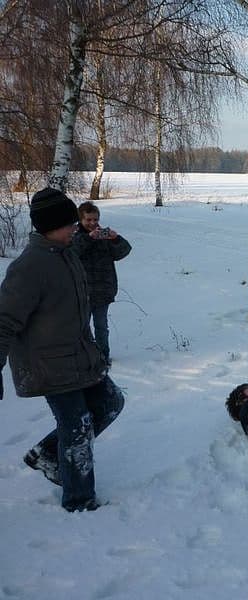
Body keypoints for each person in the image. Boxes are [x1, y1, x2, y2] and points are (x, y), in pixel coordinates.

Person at [0, 188, 125, 512]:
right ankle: (79, 501)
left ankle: (48, 454)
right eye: (70, 222)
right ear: (52, 225)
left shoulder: (66, 252)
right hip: (49, 364)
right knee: (77, 426)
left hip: (79, 355)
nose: (75, 227)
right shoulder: (30, 267)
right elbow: (4, 321)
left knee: (110, 401)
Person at [71, 201, 132, 364]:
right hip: (82, 293)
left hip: (103, 290)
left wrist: (115, 238)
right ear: (81, 219)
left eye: (95, 220)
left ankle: (103, 356)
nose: (92, 223)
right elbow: (72, 253)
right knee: (82, 328)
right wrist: (88, 239)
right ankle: (84, 357)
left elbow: (123, 252)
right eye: (88, 220)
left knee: (101, 327)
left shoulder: (103, 236)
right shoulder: (74, 236)